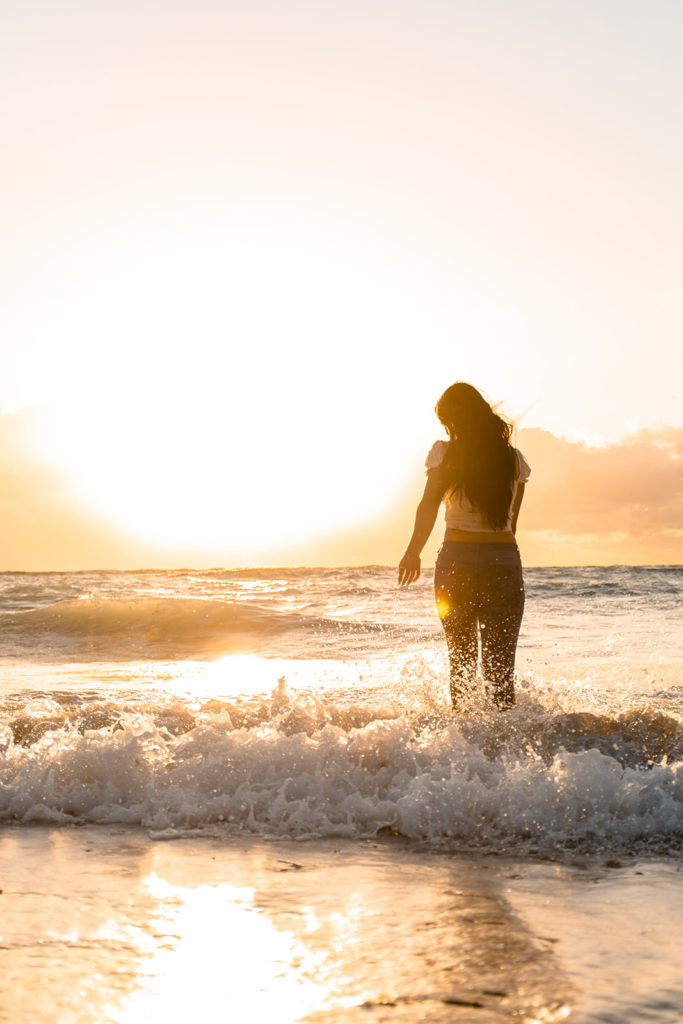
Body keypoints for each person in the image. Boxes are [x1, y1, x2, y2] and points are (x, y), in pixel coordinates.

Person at [398, 382, 530, 710]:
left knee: (461, 665)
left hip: (455, 562)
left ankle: (465, 749)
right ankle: (504, 753)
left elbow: (429, 504)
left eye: (447, 422)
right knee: (500, 672)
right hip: (503, 560)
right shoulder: (514, 461)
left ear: (454, 420)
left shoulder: (445, 454)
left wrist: (413, 551)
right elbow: (511, 523)